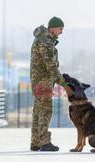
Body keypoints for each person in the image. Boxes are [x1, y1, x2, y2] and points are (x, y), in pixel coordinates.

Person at [30, 17, 70, 151]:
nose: (61, 32)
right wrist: (64, 84)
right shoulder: (46, 41)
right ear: (52, 28)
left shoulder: (41, 39)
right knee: (45, 110)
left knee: (38, 111)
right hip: (43, 81)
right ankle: (44, 142)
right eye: (60, 29)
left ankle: (35, 142)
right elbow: (51, 66)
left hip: (39, 80)